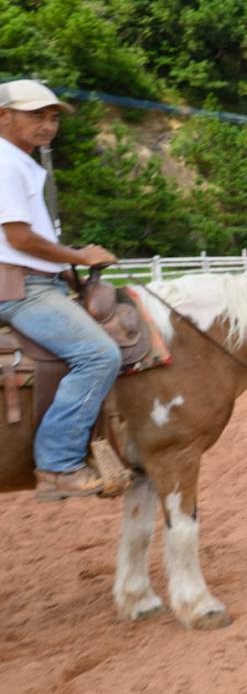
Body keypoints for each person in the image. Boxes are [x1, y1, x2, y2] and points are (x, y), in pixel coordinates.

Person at [0, 80, 122, 502]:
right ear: (4, 116)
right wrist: (79, 255)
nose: (48, 125)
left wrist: (63, 270)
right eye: (37, 115)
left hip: (36, 279)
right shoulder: (5, 164)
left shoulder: (22, 163)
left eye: (53, 117)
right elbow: (17, 238)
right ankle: (58, 464)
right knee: (99, 354)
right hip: (21, 287)